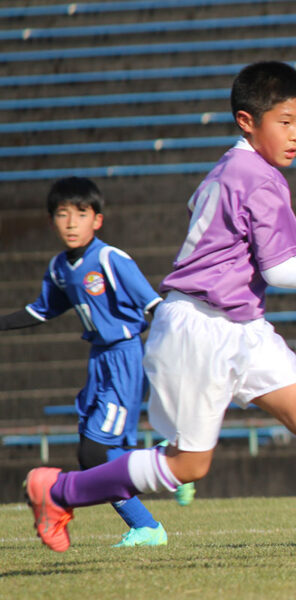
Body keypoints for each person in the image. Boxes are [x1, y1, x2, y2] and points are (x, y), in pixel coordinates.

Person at [23, 61, 296, 566]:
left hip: (240, 324)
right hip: (200, 328)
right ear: (248, 121)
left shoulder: (233, 167)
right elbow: (280, 270)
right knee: (189, 465)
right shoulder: (257, 179)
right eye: (284, 121)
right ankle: (60, 491)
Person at [0, 177, 172, 547]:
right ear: (52, 223)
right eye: (63, 215)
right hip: (99, 362)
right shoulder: (61, 267)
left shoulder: (111, 259)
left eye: (81, 213)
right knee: (101, 451)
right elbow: (40, 311)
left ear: (98, 220)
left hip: (125, 358)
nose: (72, 222)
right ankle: (171, 468)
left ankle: (152, 513)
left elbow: (156, 305)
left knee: (93, 452)